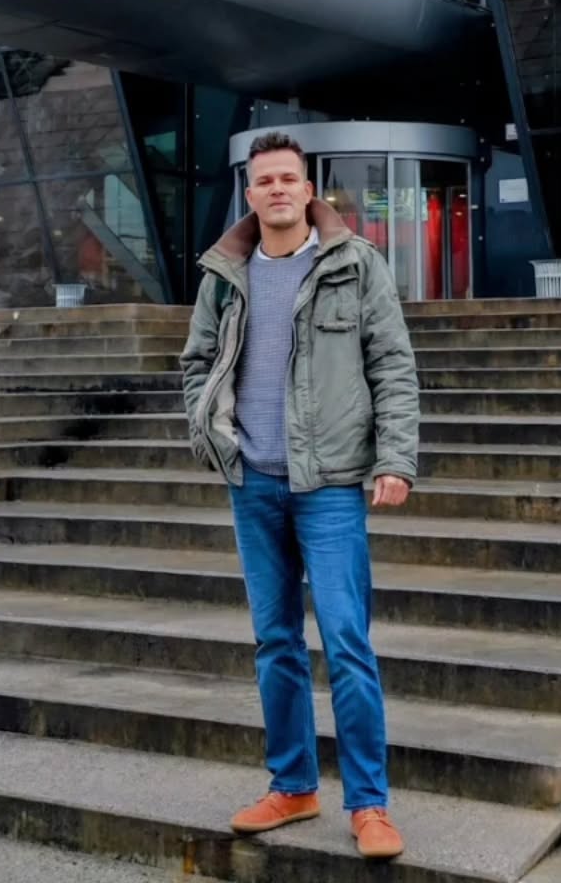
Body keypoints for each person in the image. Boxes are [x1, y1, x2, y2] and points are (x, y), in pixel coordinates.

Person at [180, 131, 419, 860]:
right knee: (275, 641)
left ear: (309, 189)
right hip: (253, 482)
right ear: (249, 194)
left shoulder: (354, 263)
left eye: (289, 178)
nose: (278, 189)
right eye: (265, 181)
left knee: (346, 643)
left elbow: (393, 364)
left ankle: (369, 805)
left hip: (331, 484)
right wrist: (210, 435)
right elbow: (195, 362)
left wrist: (396, 460)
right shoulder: (225, 274)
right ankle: (292, 785)